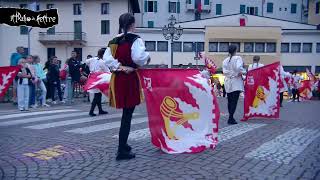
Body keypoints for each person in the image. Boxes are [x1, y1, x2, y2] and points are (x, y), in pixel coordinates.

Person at [103, 13, 151, 160]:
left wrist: (120, 66)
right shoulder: (135, 39)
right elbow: (139, 58)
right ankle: (121, 150)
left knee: (126, 114)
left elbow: (107, 59)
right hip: (129, 80)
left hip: (118, 79)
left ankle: (123, 145)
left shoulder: (113, 41)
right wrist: (147, 57)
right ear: (132, 24)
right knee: (127, 116)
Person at [222, 44, 246, 125]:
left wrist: (231, 74)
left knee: (229, 101)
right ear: (236, 50)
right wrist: (243, 72)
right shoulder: (237, 58)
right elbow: (239, 67)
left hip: (228, 82)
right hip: (235, 82)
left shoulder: (225, 60)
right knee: (234, 101)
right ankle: (231, 117)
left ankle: (230, 117)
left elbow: (224, 72)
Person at [86, 49, 109, 116]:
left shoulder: (92, 59)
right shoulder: (102, 62)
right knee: (97, 95)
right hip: (98, 78)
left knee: (98, 94)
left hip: (92, 77)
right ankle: (91, 111)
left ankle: (100, 110)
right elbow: (107, 71)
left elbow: (86, 61)